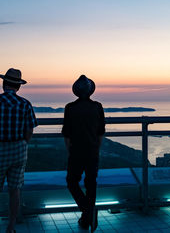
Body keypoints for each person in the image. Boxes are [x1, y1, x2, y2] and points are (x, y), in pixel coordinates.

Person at [0, 68, 38, 233]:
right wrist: (22, 144)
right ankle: (11, 228)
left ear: (4, 83)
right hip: (18, 150)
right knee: (15, 191)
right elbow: (30, 130)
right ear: (18, 87)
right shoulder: (25, 104)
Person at [62, 75, 105, 232]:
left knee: (72, 182)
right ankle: (88, 214)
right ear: (90, 91)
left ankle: (87, 213)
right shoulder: (97, 107)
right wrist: (96, 150)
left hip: (76, 151)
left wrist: (70, 152)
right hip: (93, 151)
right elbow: (100, 133)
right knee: (91, 183)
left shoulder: (70, 108)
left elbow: (66, 134)